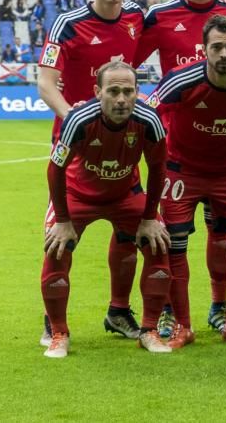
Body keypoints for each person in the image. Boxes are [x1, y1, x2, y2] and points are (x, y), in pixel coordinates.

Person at [37, 0, 146, 347]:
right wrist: (74, 120)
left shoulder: (137, 17)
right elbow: (46, 82)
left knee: (131, 233)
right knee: (61, 238)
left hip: (121, 146)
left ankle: (119, 311)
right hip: (75, 150)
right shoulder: (67, 24)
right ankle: (53, 321)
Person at [150, 16, 226, 348]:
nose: (223, 54)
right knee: (174, 243)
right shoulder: (179, 81)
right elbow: (148, 118)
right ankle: (182, 326)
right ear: (204, 50)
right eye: (216, 47)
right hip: (182, 170)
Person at [40, 61, 172, 358]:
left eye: (128, 91)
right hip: (77, 195)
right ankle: (58, 332)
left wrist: (150, 217)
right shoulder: (77, 119)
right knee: (57, 247)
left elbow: (158, 168)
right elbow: (55, 170)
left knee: (158, 243)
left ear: (138, 92)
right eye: (114, 91)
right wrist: (62, 220)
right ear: (98, 92)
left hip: (126, 194)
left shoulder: (149, 120)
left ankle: (149, 330)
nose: (122, 99)